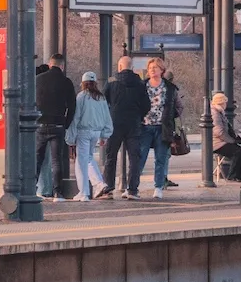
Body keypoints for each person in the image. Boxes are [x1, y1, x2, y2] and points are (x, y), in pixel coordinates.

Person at [98, 56, 150, 200]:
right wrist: (138, 115)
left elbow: (103, 102)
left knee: (111, 156)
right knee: (134, 157)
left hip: (114, 124)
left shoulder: (111, 83)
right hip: (133, 125)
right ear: (132, 68)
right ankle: (132, 189)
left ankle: (108, 188)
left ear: (120, 67)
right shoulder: (140, 84)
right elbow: (147, 105)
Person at [135, 58, 183, 199]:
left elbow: (179, 106)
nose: (152, 70)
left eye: (155, 67)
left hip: (162, 128)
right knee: (140, 157)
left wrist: (169, 116)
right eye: (150, 68)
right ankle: (133, 186)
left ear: (162, 70)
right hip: (144, 126)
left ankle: (158, 187)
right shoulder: (141, 86)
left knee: (161, 158)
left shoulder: (169, 87)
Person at [35, 53, 77, 201]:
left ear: (50, 63)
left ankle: (33, 189)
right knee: (56, 160)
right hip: (58, 124)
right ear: (62, 65)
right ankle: (57, 193)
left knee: (38, 159)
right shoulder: (66, 82)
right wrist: (66, 123)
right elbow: (72, 107)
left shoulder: (38, 80)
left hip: (40, 124)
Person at [66, 71, 112, 201]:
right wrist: (105, 135)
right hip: (96, 132)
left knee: (81, 162)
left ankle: (84, 192)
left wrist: (70, 137)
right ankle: (99, 184)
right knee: (89, 158)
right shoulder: (101, 97)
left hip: (83, 131)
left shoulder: (81, 97)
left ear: (83, 83)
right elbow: (107, 117)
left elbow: (76, 118)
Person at [211, 92, 241, 181]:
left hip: (219, 141)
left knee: (239, 151)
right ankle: (234, 176)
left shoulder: (219, 112)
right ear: (221, 103)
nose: (226, 104)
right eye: (225, 102)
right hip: (217, 143)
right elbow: (219, 132)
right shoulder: (215, 114)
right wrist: (232, 141)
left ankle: (236, 176)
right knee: (238, 152)